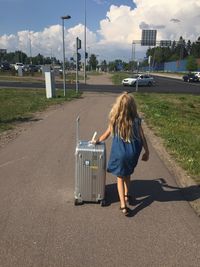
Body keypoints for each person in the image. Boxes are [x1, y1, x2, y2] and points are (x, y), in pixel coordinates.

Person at [93, 92, 149, 216]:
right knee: (128, 175)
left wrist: (96, 141)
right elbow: (142, 136)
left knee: (120, 178)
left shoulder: (115, 120)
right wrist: (147, 151)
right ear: (132, 107)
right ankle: (127, 195)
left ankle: (123, 205)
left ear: (119, 106)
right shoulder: (137, 120)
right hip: (133, 153)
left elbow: (106, 135)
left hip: (120, 153)